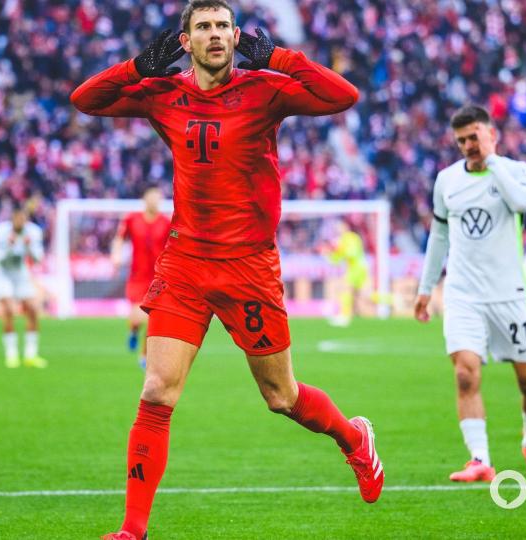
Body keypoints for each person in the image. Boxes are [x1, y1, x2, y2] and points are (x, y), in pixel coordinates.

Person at [71, 2, 383, 538]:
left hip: (249, 267)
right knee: (156, 392)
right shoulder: (162, 93)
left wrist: (281, 58)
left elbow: (344, 96)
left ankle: (354, 439)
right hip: (186, 262)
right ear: (185, 41)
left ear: (236, 36)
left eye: (222, 27)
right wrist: (138, 66)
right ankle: (132, 529)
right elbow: (85, 100)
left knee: (281, 398)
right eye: (203, 28)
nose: (214, 35)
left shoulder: (266, 88)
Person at [414, 105, 526, 482]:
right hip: (463, 294)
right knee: (465, 375)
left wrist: (492, 162)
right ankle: (480, 459)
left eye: (474, 137)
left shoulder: (516, 172)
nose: (468, 146)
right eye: (461, 140)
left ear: (493, 134)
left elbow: (523, 205)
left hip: (509, 295)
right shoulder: (446, 181)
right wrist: (426, 289)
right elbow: (439, 236)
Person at [111, 184, 172, 369]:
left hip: (159, 278)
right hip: (137, 277)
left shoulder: (166, 222)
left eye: (158, 197)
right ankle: (133, 331)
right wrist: (116, 254)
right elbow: (119, 238)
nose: (155, 201)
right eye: (152, 197)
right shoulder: (131, 219)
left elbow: (172, 246)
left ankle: (145, 355)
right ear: (145, 199)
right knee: (138, 318)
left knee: (153, 318)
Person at [0, 205, 46, 369]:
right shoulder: (0, 232)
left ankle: (30, 355)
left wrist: (27, 247)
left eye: (23, 218)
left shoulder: (34, 232)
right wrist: (9, 246)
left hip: (20, 271)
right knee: (8, 309)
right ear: (12, 218)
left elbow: (37, 260)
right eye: (17, 218)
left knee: (33, 309)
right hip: (2, 273)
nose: (21, 221)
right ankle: (11, 355)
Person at [324, 219, 373, 327]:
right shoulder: (343, 239)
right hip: (355, 268)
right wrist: (330, 256)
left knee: (345, 288)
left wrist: (337, 253)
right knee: (365, 295)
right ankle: (393, 300)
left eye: (340, 226)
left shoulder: (352, 237)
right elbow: (339, 256)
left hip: (357, 267)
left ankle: (345, 316)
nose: (338, 228)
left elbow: (352, 253)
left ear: (346, 226)